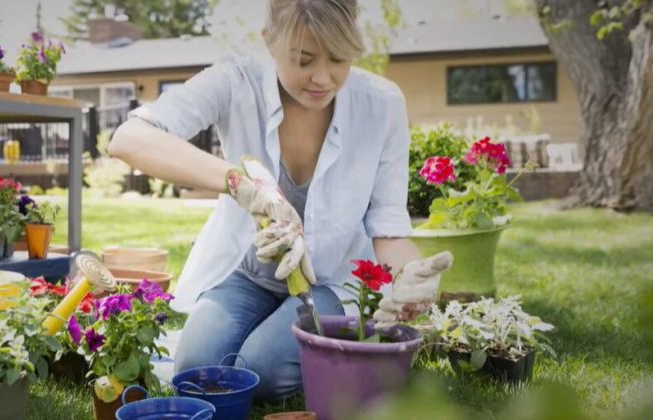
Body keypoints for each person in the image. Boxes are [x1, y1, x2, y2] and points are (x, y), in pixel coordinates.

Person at [109, 0, 452, 400]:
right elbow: (129, 138)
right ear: (269, 41)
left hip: (329, 280)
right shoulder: (236, 81)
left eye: (338, 59)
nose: (322, 77)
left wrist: (408, 274)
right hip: (250, 274)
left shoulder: (382, 103)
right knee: (194, 371)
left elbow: (388, 224)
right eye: (303, 59)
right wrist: (240, 184)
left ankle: (279, 348)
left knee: (263, 372)